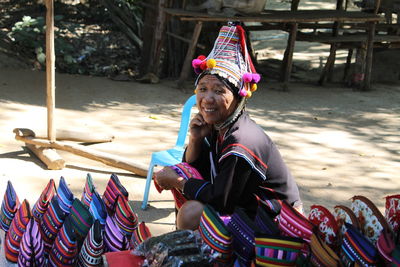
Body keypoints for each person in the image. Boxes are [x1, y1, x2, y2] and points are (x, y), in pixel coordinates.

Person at [154, 23, 302, 230]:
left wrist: (178, 182)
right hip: (245, 205)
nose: (207, 98)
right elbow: (198, 171)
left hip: (277, 221)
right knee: (184, 177)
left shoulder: (241, 141)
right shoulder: (221, 126)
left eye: (218, 91)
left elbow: (221, 200)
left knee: (191, 212)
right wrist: (195, 139)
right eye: (202, 89)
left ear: (237, 98)